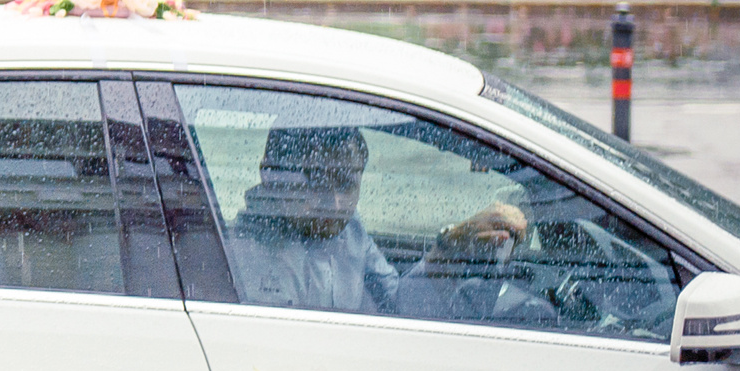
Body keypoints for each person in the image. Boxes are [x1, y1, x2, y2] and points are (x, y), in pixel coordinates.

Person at [225, 123, 536, 321]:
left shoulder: (349, 229)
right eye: (317, 181)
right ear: (271, 175)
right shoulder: (246, 252)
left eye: (346, 183)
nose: (335, 203)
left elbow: (397, 304)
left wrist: (453, 243)